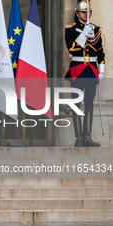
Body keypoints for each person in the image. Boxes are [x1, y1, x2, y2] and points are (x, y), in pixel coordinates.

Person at [65, 0, 105, 147]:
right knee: (76, 103)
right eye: (82, 11)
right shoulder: (70, 29)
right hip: (77, 69)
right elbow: (71, 49)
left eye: (87, 11)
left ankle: (87, 136)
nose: (85, 14)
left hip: (91, 70)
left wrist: (101, 71)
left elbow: (100, 52)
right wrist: (83, 36)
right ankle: (79, 138)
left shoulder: (96, 30)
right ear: (77, 13)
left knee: (89, 103)